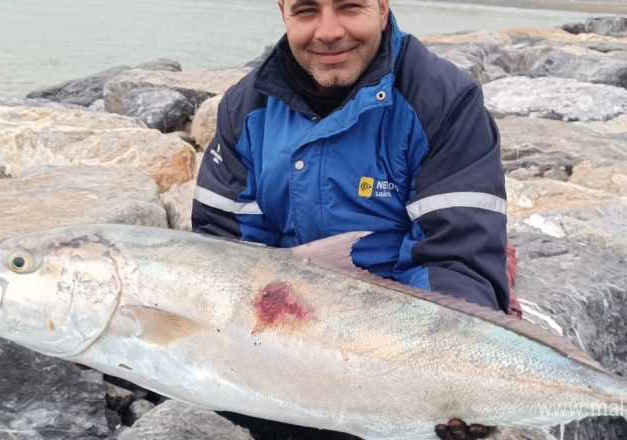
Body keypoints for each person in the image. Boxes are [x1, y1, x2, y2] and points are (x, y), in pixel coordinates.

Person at [192, 0, 520, 438]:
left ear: (383, 9)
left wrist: (454, 366)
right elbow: (225, 251)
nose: (328, 31)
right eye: (307, 10)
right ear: (282, 12)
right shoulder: (245, 107)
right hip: (285, 331)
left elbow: (454, 258)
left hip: (405, 328)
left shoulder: (443, 100)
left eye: (349, 7)